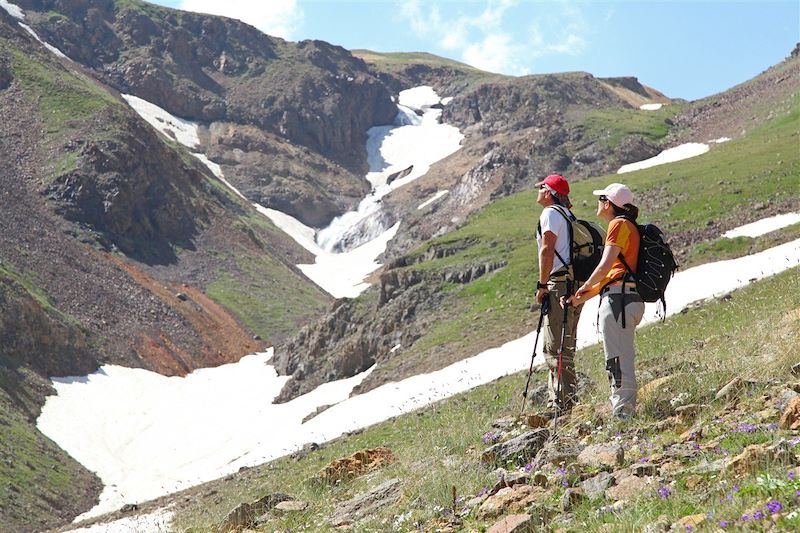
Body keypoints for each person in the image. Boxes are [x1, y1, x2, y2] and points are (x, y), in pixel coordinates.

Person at [566, 183, 644, 419]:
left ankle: (623, 415)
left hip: (618, 300)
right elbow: (613, 273)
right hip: (627, 297)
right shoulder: (628, 225)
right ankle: (623, 410)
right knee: (620, 356)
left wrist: (586, 285)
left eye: (601, 199)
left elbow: (605, 266)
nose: (598, 203)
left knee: (617, 359)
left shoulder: (617, 224)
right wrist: (581, 297)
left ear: (608, 203)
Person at [534, 174, 584, 416]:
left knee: (555, 346)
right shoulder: (568, 215)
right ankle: (565, 398)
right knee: (567, 343)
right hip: (574, 285)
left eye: (542, 187)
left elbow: (547, 249)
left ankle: (562, 404)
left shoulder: (551, 213)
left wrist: (542, 284)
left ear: (550, 192)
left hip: (559, 285)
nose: (539, 191)